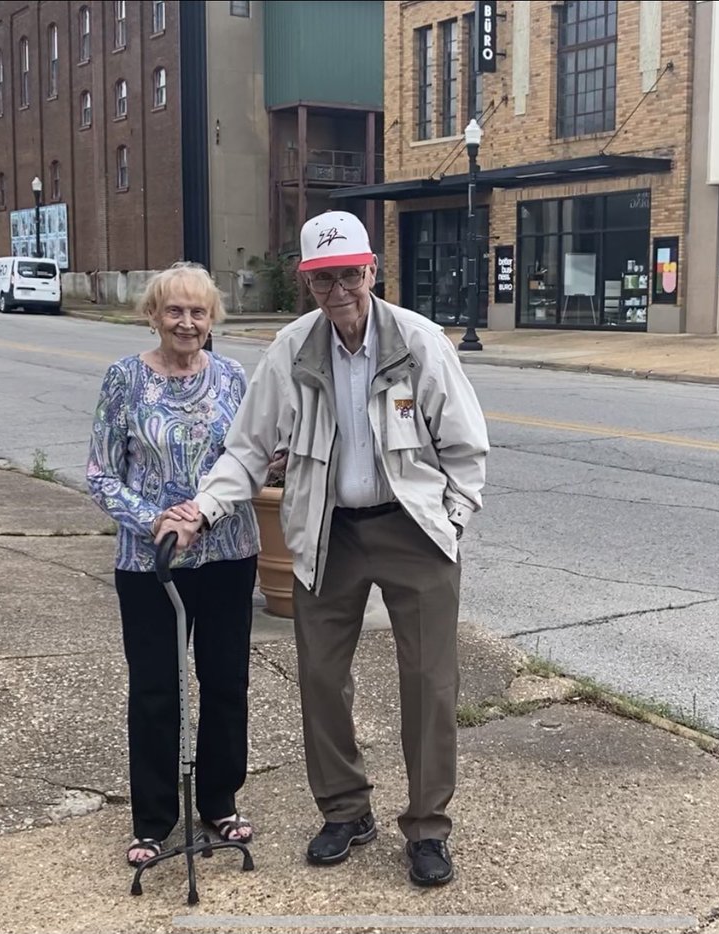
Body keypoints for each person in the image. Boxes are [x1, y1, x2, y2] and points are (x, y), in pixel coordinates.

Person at [157, 211, 489, 888]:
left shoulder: (418, 342)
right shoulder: (292, 349)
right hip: (326, 528)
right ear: (307, 282)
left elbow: (464, 444)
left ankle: (427, 827)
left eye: (348, 275)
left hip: (412, 529)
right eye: (321, 279)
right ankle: (345, 811)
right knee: (320, 679)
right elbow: (248, 448)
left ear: (371, 271)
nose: (337, 290)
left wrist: (453, 520)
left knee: (429, 683)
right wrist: (205, 508)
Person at [86, 262, 261, 869]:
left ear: (213, 319)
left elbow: (252, 456)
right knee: (157, 689)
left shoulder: (235, 377)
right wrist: (153, 519)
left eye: (199, 311)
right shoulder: (124, 380)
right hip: (148, 561)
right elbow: (101, 473)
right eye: (175, 311)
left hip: (228, 552)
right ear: (153, 316)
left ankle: (219, 799)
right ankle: (155, 818)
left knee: (224, 683)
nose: (187, 322)